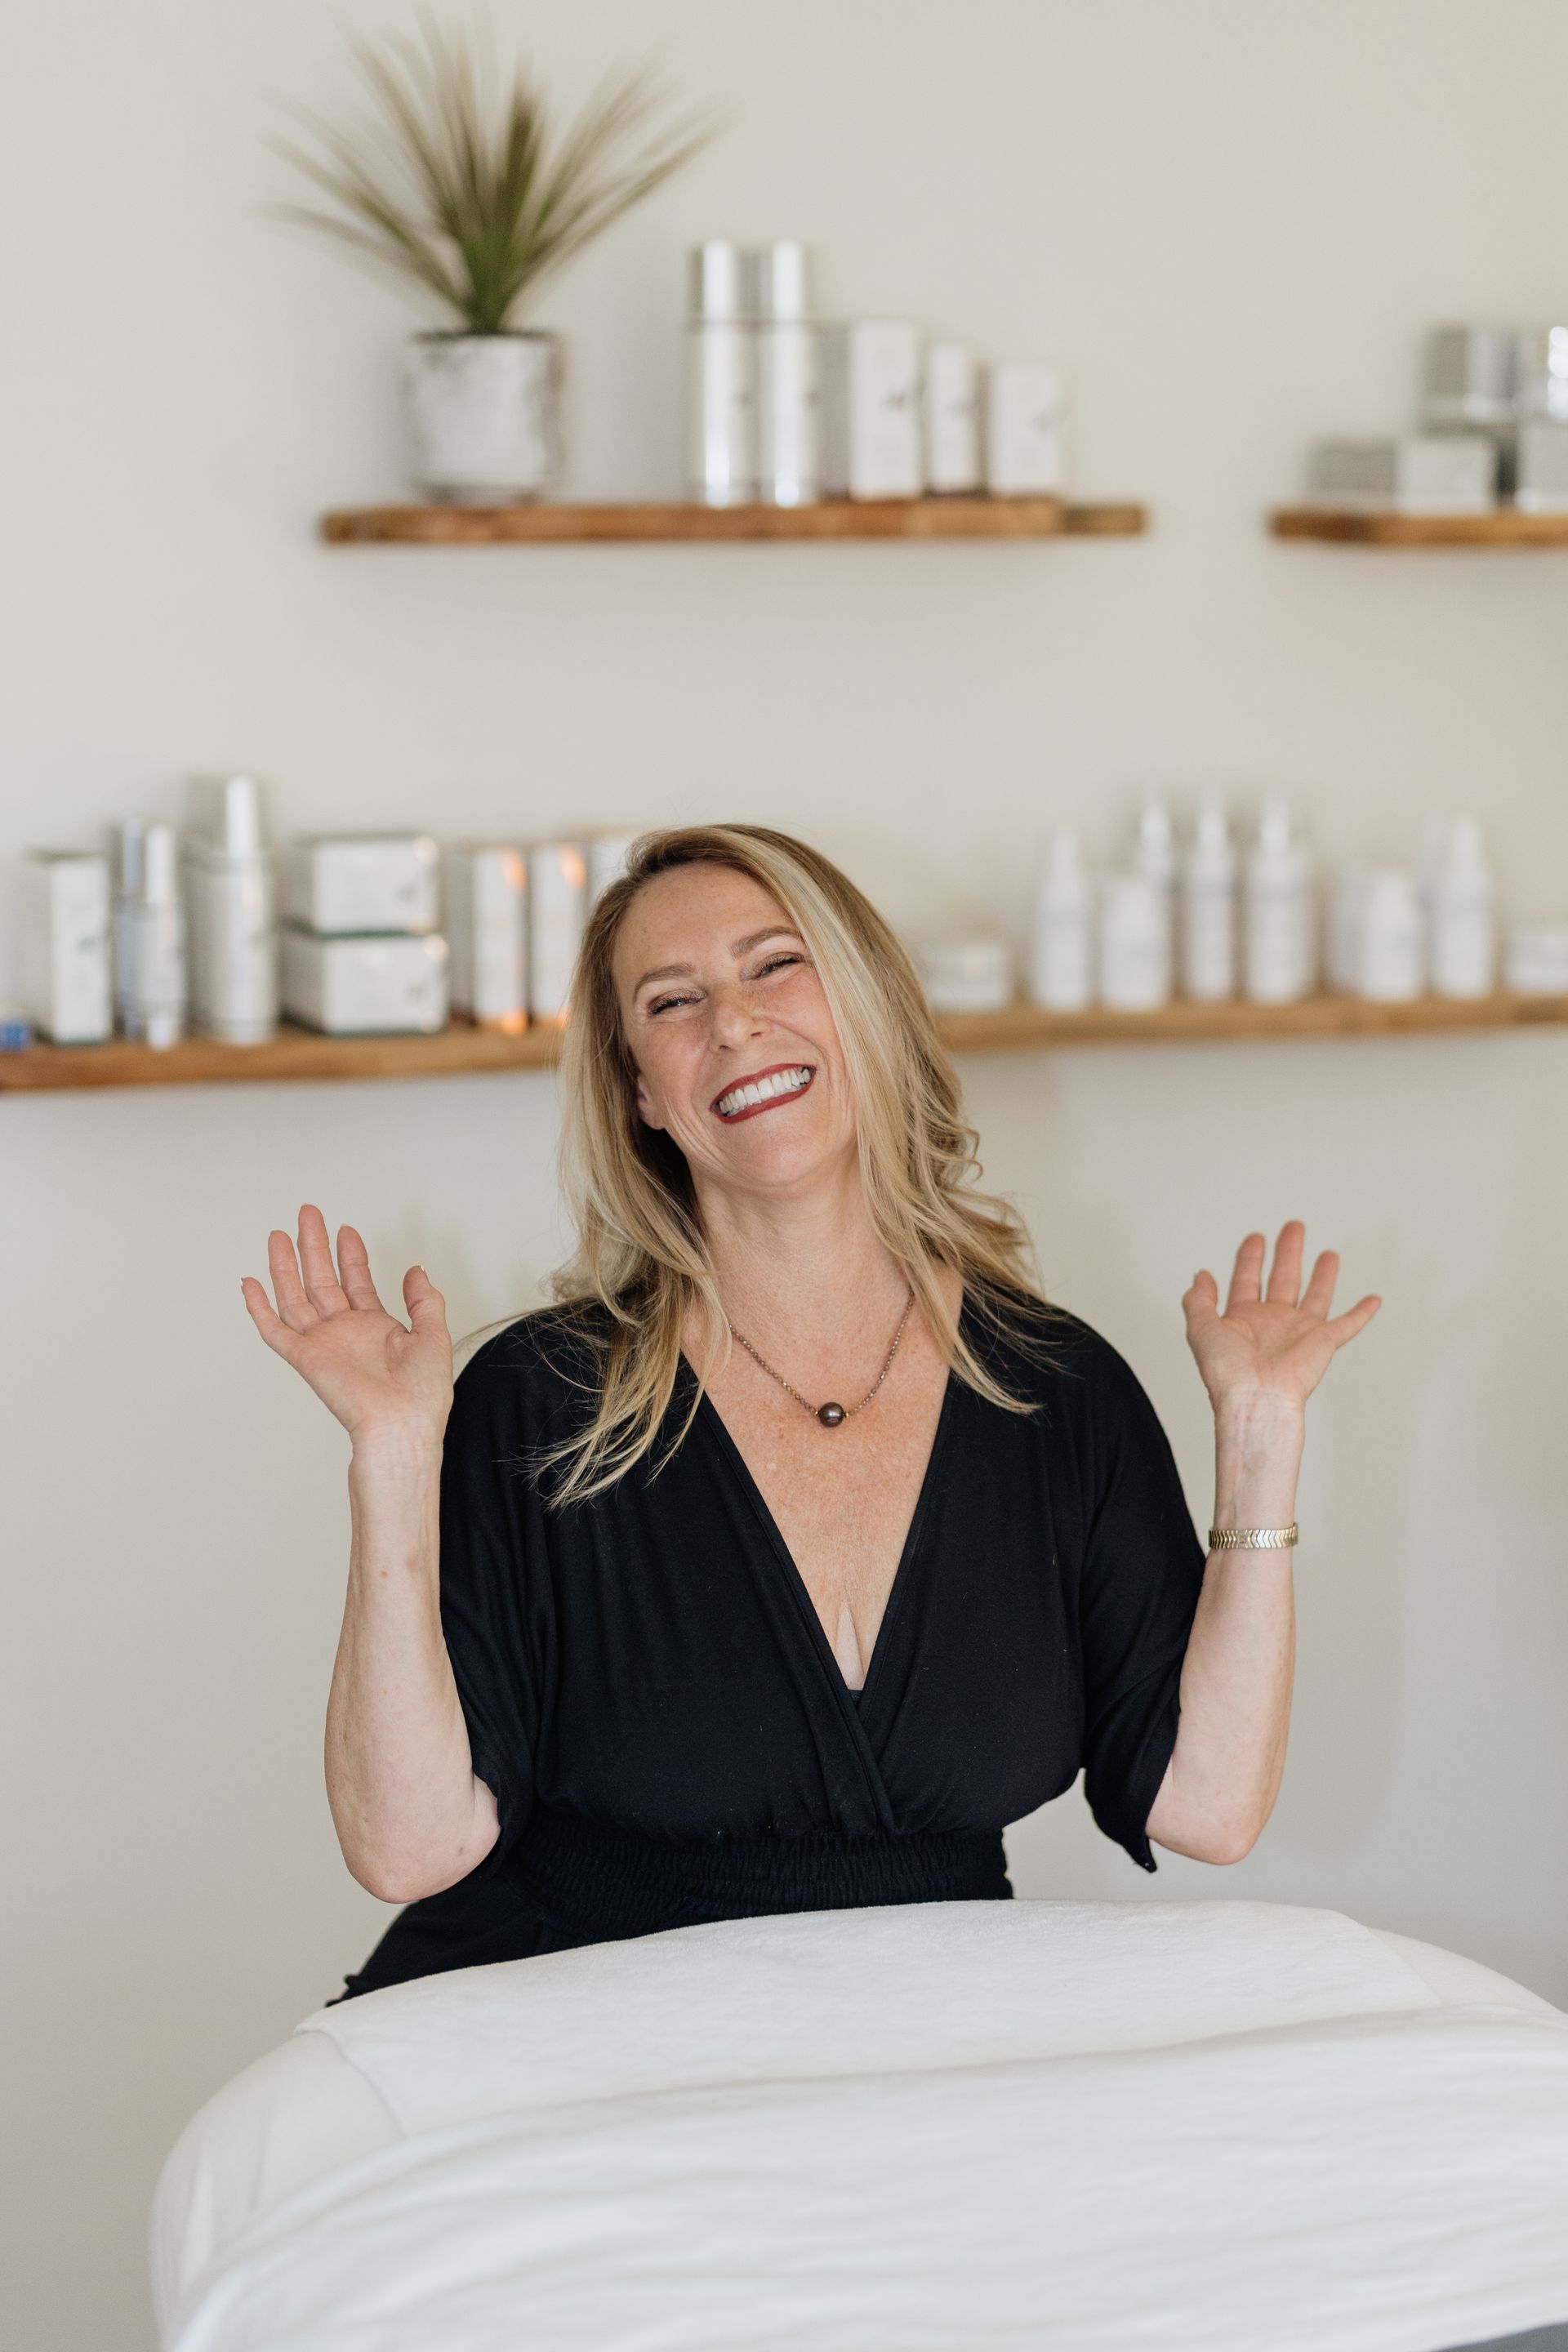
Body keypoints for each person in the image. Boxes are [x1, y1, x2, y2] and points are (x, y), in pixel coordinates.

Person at [242, 824, 1380, 2001]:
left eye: (776, 964)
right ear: (641, 1091)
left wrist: (1262, 1439)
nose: (733, 1022)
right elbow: (407, 1848)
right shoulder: (540, 1404)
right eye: (672, 1002)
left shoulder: (1056, 1392)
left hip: (910, 2033)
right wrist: (389, 1456)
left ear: (868, 1007)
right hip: (562, 2018)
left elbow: (1207, 1803)